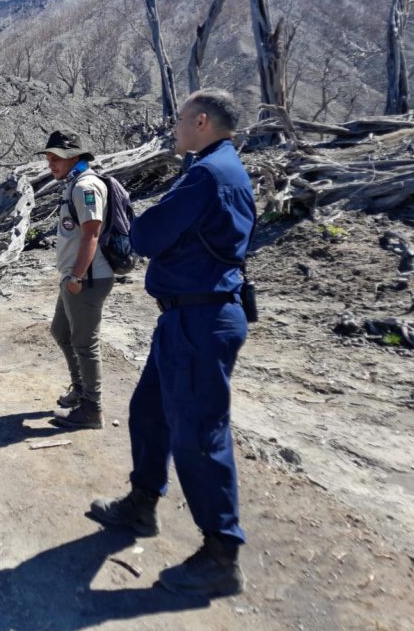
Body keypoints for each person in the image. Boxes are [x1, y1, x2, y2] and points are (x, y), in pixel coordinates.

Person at [88, 89, 256, 597]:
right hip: (190, 317)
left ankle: (221, 554)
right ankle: (142, 503)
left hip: (199, 320)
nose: (175, 127)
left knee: (199, 435)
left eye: (180, 120)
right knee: (150, 411)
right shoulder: (221, 167)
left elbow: (145, 238)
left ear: (201, 121)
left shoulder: (206, 174)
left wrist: (149, 221)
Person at [39, 129, 115, 430]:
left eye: (57, 157)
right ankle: (80, 390)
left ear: (74, 157)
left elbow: (92, 234)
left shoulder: (87, 186)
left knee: (85, 343)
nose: (51, 163)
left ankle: (92, 410)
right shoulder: (73, 184)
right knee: (61, 331)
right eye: (49, 157)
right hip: (75, 276)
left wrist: (77, 276)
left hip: (88, 278)